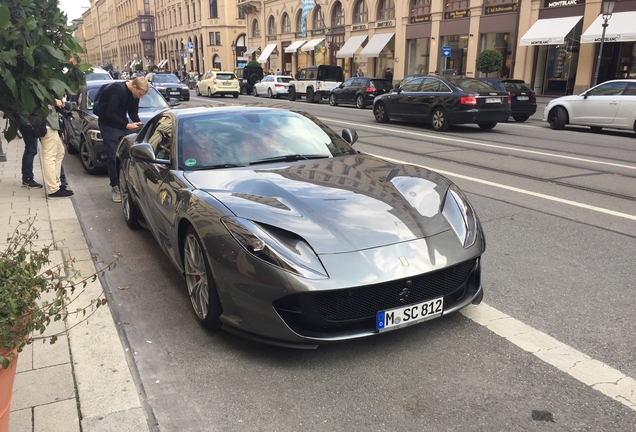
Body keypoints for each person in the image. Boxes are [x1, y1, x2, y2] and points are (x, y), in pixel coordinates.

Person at [97, 77, 148, 202]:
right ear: (134, 87)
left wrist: (138, 122)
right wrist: (127, 125)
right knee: (112, 156)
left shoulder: (134, 95)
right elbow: (110, 113)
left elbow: (132, 112)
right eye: (140, 94)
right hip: (108, 125)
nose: (140, 97)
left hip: (121, 124)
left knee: (127, 153)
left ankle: (128, 181)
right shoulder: (117, 90)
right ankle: (115, 187)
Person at [40, 98, 73, 199]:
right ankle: (53, 189)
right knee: (50, 156)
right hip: (47, 126)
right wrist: (54, 100)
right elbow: (39, 97)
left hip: (52, 125)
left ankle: (57, 184)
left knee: (60, 152)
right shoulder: (40, 85)